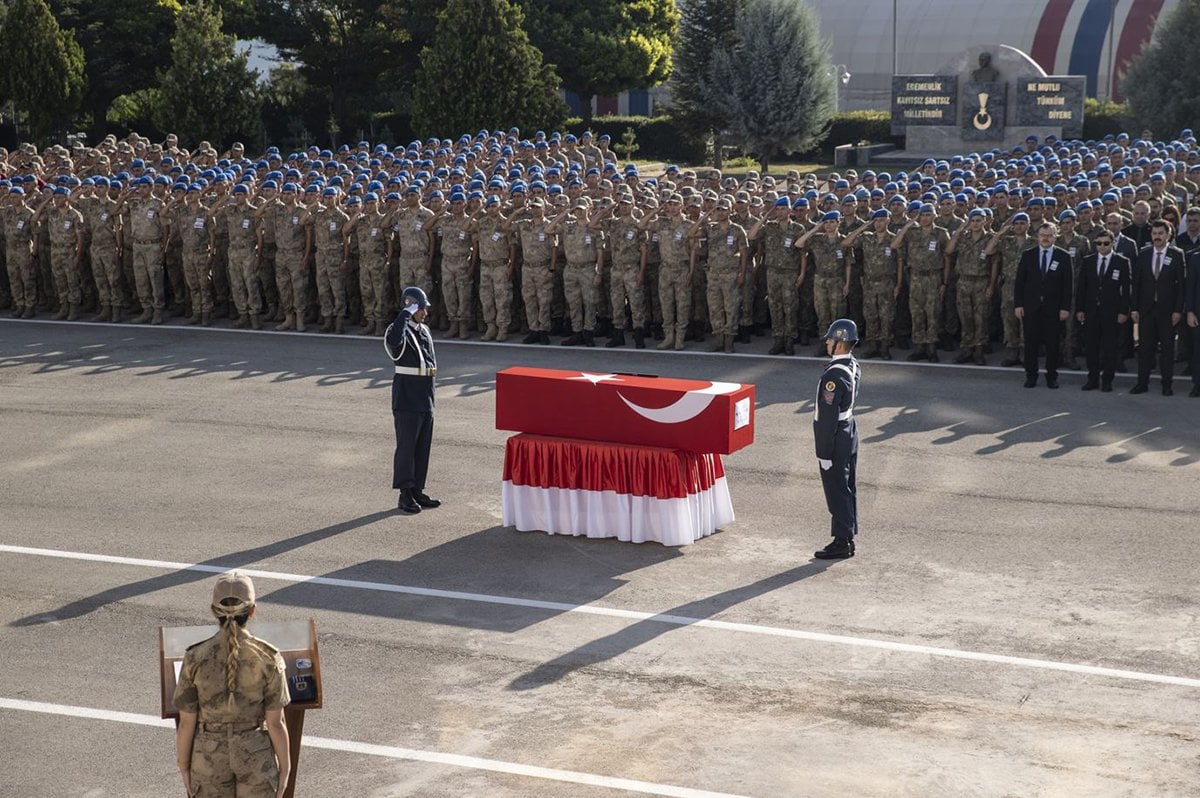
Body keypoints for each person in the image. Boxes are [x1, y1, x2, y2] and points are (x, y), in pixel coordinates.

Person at [173, 572, 291, 798]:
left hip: (208, 756)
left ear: (213, 611)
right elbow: (276, 723)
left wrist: (184, 766)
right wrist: (285, 768)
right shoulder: (268, 657)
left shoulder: (195, 657)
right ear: (252, 611)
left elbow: (186, 723)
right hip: (255, 753)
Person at [385, 286, 441, 514]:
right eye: (421, 309)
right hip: (407, 395)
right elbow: (394, 343)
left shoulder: (424, 330)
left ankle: (417, 489)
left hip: (425, 393)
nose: (425, 313)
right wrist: (404, 314)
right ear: (410, 307)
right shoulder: (398, 329)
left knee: (422, 446)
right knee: (406, 447)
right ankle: (405, 494)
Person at [813, 318, 861, 560]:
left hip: (837, 435)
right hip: (849, 429)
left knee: (837, 488)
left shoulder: (834, 375)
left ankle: (842, 541)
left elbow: (827, 418)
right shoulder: (852, 365)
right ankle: (848, 534)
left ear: (840, 344)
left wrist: (823, 452)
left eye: (831, 339)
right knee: (847, 486)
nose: (828, 342)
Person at [1014, 222, 1072, 388]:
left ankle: (1051, 377)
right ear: (1037, 236)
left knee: (1053, 345)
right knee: (1030, 344)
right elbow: (1019, 283)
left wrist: (1065, 308)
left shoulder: (1063, 256)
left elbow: (1068, 285)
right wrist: (1018, 305)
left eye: (1049, 235)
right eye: (1042, 235)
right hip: (1031, 308)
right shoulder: (1028, 255)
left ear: (1055, 236)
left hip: (1053, 309)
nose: (1045, 238)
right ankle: (1031, 376)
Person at [1130, 219, 1185, 395]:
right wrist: (1134, 308)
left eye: (1161, 234)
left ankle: (1166, 385)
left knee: (1167, 349)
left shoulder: (1177, 255)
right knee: (1145, 349)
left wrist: (1178, 310)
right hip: (1146, 310)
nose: (1157, 237)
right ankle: (1142, 383)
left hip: (1167, 311)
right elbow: (1136, 283)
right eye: (1154, 234)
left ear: (1168, 235)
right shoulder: (1144, 253)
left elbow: (1181, 287)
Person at [1075, 231, 1130, 392]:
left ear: (1112, 243)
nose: (1102, 246)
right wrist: (1080, 309)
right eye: (1099, 243)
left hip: (1112, 312)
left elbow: (1126, 289)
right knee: (1091, 347)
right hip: (1091, 311)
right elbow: (1081, 288)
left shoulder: (1121, 262)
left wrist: (1123, 311)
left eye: (1106, 243)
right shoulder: (1088, 261)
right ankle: (1092, 378)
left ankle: (1107, 380)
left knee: (1110, 347)